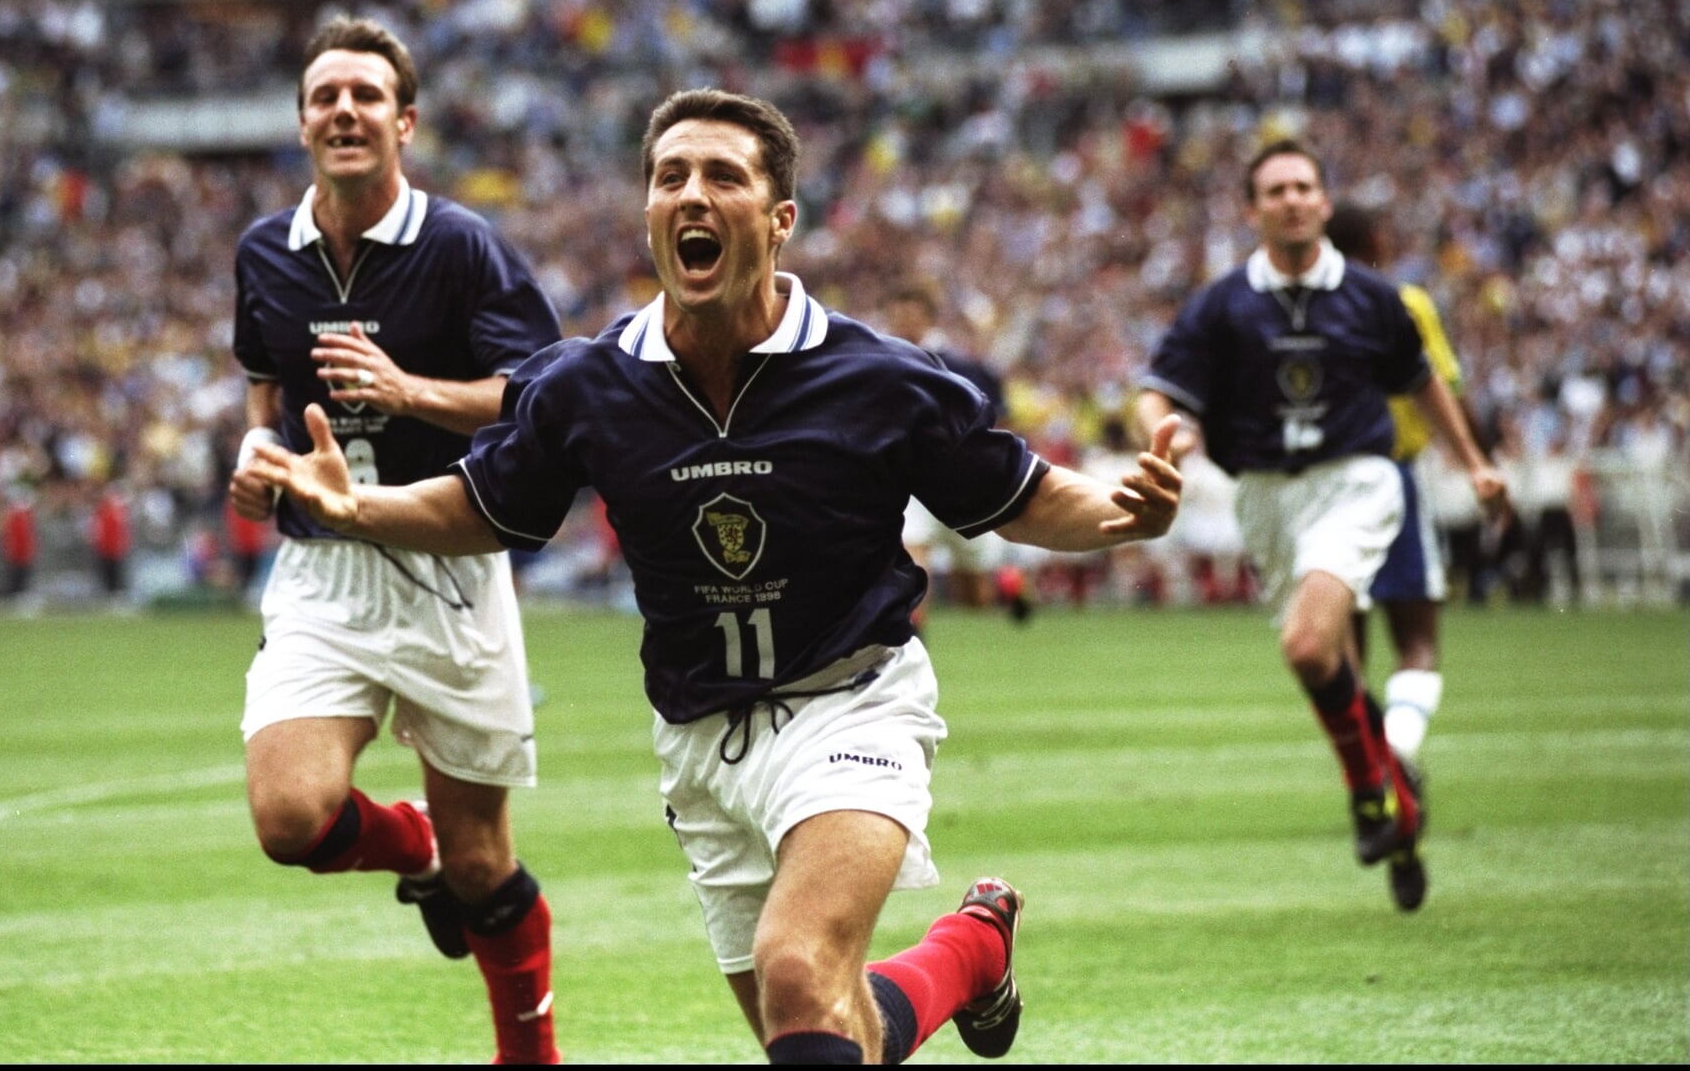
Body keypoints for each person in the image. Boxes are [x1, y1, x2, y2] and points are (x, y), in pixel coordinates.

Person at [245, 88, 1185, 1064]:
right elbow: (483, 509)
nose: (692, 195)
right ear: (649, 215)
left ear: (780, 221)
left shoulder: (881, 378)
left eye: (723, 177)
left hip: (850, 706)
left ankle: (959, 951)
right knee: (829, 1024)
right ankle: (972, 951)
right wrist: (363, 509)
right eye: (670, 178)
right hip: (699, 743)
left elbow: (1018, 492)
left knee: (796, 973)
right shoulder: (589, 384)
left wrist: (1124, 511)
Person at [226, 15, 564, 1065]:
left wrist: (409, 389)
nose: (344, 111)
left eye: (366, 95)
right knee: (289, 817)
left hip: (446, 561)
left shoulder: (460, 246)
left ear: (404, 121)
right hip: (325, 567)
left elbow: (539, 393)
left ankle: (528, 1054)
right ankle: (402, 837)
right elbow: (263, 383)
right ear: (301, 125)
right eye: (325, 96)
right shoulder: (263, 254)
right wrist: (254, 452)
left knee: (480, 865)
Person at [1135, 139, 1507, 914]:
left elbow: (1422, 383)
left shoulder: (1376, 298)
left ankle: (1368, 785)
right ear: (1253, 210)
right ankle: (1398, 805)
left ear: (1326, 203)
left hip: (1357, 480)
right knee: (1324, 659)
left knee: (1307, 642)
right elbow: (1158, 389)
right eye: (1275, 190)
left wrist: (1473, 461)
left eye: (1305, 185)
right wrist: (1165, 435)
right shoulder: (1223, 302)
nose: (1293, 199)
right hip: (1266, 494)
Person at [1322, 201, 1468, 793]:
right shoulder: (1404, 303)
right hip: (1393, 476)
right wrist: (1480, 462)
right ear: (1378, 240)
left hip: (1324, 488)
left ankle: (1369, 770)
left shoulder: (1301, 310)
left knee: (1342, 650)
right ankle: (1399, 747)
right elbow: (1444, 387)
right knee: (1416, 639)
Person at [881, 282, 1035, 623]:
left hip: (962, 484)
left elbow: (1001, 420)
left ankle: (1009, 583)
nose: (902, 322)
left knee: (975, 595)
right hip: (913, 485)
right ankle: (913, 639)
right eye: (897, 315)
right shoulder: (882, 365)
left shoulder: (962, 366)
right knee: (913, 557)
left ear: (929, 318)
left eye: (909, 314)